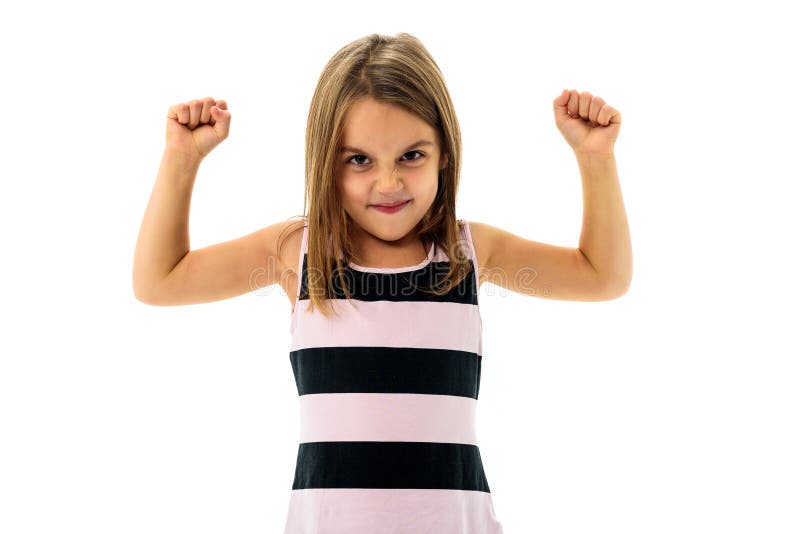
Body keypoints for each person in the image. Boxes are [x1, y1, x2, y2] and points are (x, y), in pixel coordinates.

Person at [133, 32, 630, 534]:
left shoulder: (468, 253)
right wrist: (182, 159)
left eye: (411, 156)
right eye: (359, 160)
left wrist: (595, 160)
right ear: (327, 164)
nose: (388, 184)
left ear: (443, 155)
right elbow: (160, 281)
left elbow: (601, 275)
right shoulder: (299, 253)